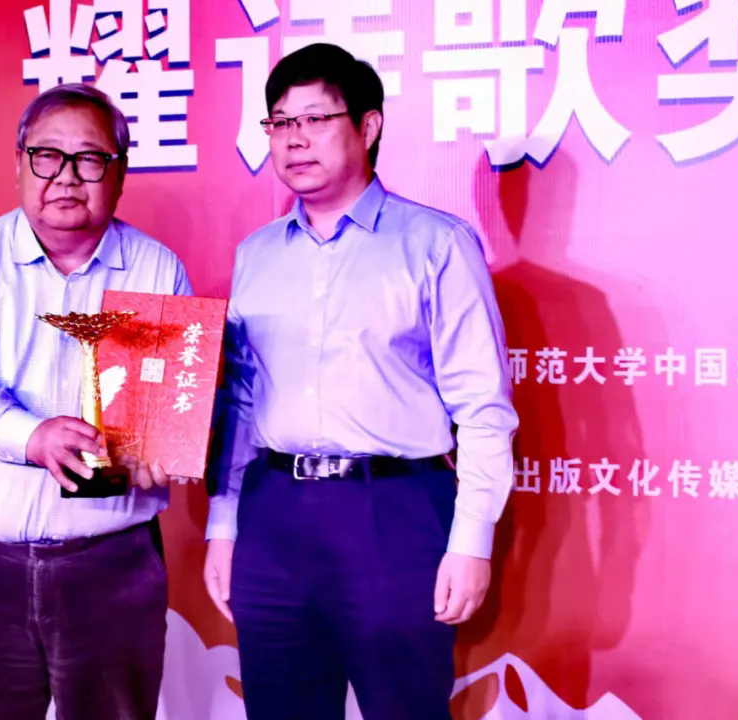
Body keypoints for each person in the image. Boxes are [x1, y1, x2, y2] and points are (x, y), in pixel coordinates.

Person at [203, 43, 519, 719]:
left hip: (394, 511)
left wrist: (471, 540)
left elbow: (483, 408)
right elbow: (241, 401)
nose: (294, 140)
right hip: (273, 512)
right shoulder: (257, 255)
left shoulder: (436, 243)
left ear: (368, 126)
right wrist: (223, 526)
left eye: (315, 119)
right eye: (280, 123)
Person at [0, 83, 192, 720]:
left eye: (89, 159)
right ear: (19, 163)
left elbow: (174, 402)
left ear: (119, 172)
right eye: (47, 156)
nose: (66, 177)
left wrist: (171, 444)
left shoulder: (157, 271)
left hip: (112, 566)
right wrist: (31, 436)